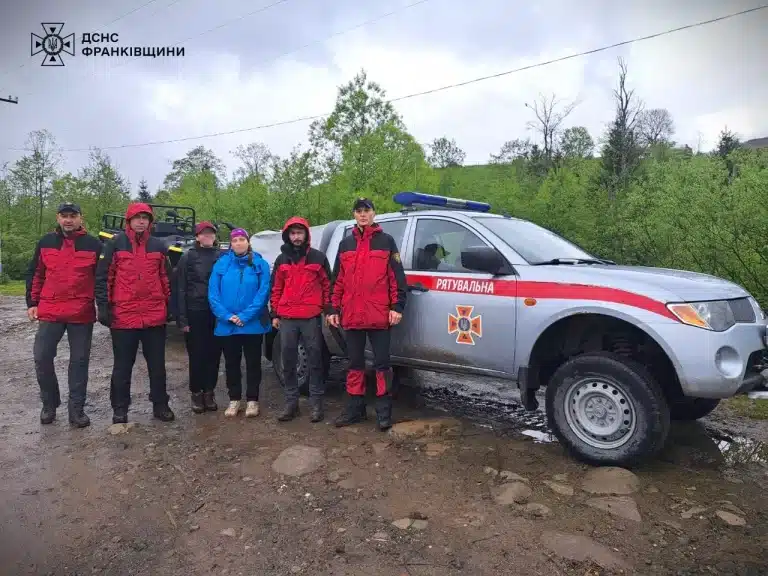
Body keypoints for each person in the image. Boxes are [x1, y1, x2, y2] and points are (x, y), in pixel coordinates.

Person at [327, 198, 407, 431]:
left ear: (374, 213)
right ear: (354, 214)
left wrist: (397, 307)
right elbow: (337, 280)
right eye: (359, 211)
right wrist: (332, 308)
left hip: (379, 315)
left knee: (382, 364)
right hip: (352, 316)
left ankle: (384, 412)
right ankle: (355, 409)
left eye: (367, 211)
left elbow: (396, 278)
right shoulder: (346, 244)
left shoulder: (386, 241)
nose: (363, 215)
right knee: (354, 364)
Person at [95, 202, 175, 424]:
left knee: (157, 366)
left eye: (145, 217)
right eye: (137, 217)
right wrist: (103, 307)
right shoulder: (114, 244)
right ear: (128, 220)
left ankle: (160, 405)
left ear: (150, 222)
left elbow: (166, 279)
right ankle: (120, 408)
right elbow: (103, 278)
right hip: (123, 316)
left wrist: (170, 307)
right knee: (122, 366)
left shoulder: (159, 246)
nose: (141, 221)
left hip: (154, 316)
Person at [25, 202, 102, 427]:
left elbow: (102, 279)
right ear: (58, 218)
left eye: (73, 216)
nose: (68, 220)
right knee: (42, 357)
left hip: (81, 313)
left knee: (79, 362)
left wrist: (104, 306)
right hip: (50, 310)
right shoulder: (46, 242)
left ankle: (76, 410)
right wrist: (32, 302)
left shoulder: (93, 245)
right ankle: (49, 404)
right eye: (64, 216)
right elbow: (36, 273)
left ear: (81, 218)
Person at [270, 216, 332, 423]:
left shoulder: (318, 258)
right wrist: (275, 314)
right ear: (288, 236)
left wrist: (328, 310)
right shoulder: (281, 260)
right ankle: (291, 404)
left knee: (315, 361)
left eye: (300, 233)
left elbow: (327, 286)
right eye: (293, 233)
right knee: (288, 362)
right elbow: (276, 287)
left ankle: (316, 404)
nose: (296, 237)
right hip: (287, 317)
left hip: (310, 317)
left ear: (306, 235)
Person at [208, 228, 271, 418]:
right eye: (235, 240)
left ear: (248, 242)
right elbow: (213, 293)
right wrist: (227, 316)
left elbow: (263, 293)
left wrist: (244, 316)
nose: (238, 243)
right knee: (231, 363)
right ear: (230, 244)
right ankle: (234, 399)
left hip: (252, 324)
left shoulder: (260, 264)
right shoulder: (221, 264)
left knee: (253, 363)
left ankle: (253, 400)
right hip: (228, 324)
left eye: (242, 239)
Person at [176, 221, 222, 414]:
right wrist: (182, 318)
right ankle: (196, 393)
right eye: (204, 234)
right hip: (195, 311)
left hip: (217, 313)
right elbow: (179, 288)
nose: (207, 237)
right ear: (197, 237)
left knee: (214, 355)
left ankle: (209, 392)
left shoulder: (222, 256)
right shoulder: (188, 257)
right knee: (197, 355)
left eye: (211, 234)